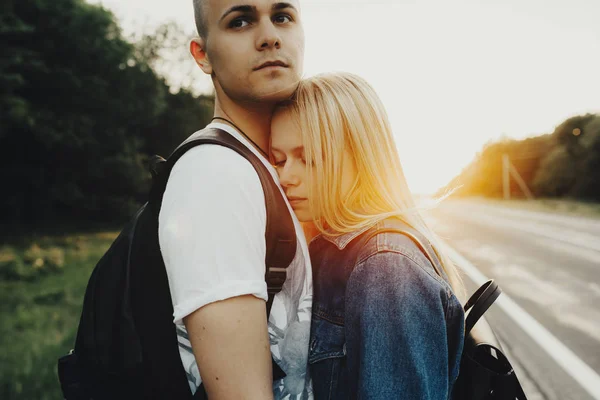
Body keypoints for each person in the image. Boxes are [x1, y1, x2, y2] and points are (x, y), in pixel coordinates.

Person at [270, 72, 465, 399]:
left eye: (309, 158)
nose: (285, 176)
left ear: (360, 156)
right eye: (279, 159)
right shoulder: (331, 248)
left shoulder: (387, 267)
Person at [158, 1, 313, 399]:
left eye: (282, 16)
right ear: (202, 55)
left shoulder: (261, 168)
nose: (269, 37)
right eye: (240, 21)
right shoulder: (216, 175)